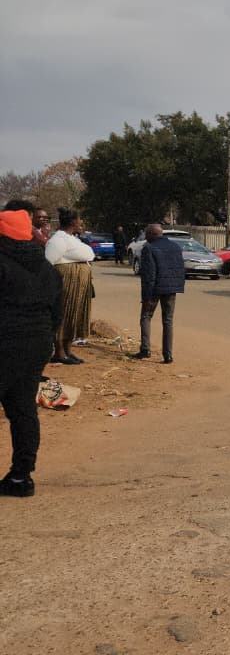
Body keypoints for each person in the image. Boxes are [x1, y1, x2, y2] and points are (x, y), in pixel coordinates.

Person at [0, 207, 61, 497]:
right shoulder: (48, 269)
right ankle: (21, 477)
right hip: (37, 345)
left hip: (5, 342)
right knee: (23, 410)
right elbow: (57, 314)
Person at [44, 208, 95, 365]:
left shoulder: (71, 238)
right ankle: (59, 353)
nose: (82, 223)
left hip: (78, 285)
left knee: (74, 317)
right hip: (67, 284)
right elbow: (48, 262)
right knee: (64, 315)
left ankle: (68, 350)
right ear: (73, 222)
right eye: (80, 220)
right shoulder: (58, 239)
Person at [131, 224, 185, 363]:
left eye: (146, 234)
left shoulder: (149, 248)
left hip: (155, 289)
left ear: (151, 234)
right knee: (168, 321)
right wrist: (177, 286)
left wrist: (147, 297)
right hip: (171, 289)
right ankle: (168, 355)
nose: (145, 237)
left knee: (146, 316)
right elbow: (180, 269)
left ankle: (145, 349)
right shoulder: (175, 247)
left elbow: (149, 275)